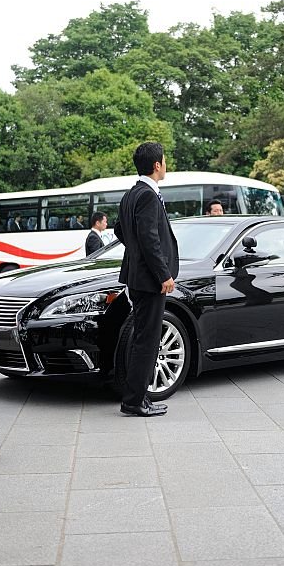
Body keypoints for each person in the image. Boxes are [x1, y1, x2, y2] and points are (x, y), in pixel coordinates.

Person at [114, 142, 179, 417]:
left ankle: (135, 397)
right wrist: (163, 273)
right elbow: (149, 237)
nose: (166, 165)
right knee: (147, 340)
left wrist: (137, 254)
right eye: (164, 161)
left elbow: (120, 230)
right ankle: (135, 401)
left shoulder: (131, 194)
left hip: (137, 277)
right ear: (157, 165)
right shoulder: (149, 195)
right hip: (150, 280)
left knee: (143, 337)